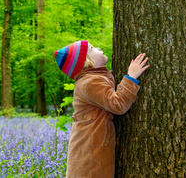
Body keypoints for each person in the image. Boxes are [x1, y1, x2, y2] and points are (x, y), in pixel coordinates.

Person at [54, 40, 150, 178]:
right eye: (92, 48)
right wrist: (131, 77)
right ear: (87, 61)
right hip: (90, 155)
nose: (98, 47)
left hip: (89, 149)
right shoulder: (90, 82)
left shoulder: (92, 79)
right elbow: (118, 105)